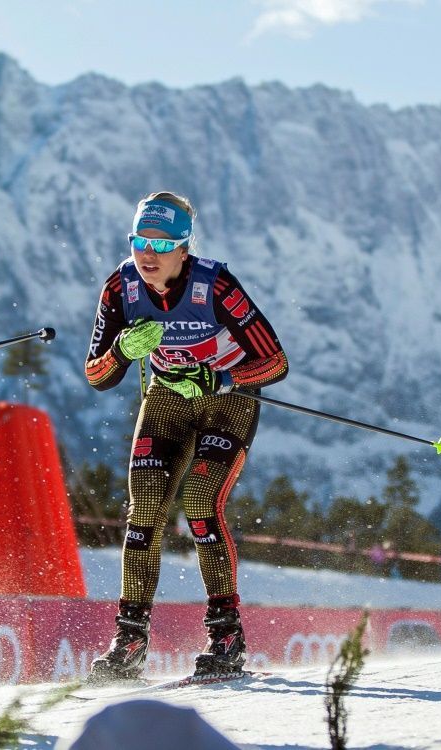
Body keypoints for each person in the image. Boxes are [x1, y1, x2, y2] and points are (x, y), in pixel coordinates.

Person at [84, 191, 288, 682]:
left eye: (161, 243)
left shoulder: (215, 285)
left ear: (184, 247)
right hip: (169, 398)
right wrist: (121, 349)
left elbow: (275, 360)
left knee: (199, 502)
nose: (148, 254)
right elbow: (96, 374)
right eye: (139, 241)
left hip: (229, 399)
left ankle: (226, 635)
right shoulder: (121, 286)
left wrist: (222, 379)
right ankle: (129, 639)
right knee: (145, 510)